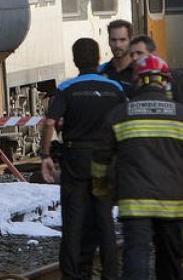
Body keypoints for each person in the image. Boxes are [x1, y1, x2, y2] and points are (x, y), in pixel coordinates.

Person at [91, 55, 183, 280]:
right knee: (170, 259)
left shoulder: (119, 115)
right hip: (173, 202)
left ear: (137, 81)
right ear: (165, 82)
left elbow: (100, 158)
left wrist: (101, 186)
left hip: (134, 203)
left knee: (136, 256)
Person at [41, 38, 126, 279]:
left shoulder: (67, 88)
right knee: (104, 220)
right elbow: (125, 122)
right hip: (105, 159)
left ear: (75, 60)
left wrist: (45, 154)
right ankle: (111, 273)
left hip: (75, 158)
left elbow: (49, 122)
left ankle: (71, 274)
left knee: (73, 221)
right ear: (98, 58)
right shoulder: (115, 89)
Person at [99, 19, 135, 88]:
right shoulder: (101, 71)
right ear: (108, 41)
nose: (118, 45)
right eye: (113, 40)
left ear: (131, 41)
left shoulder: (139, 72)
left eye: (122, 40)